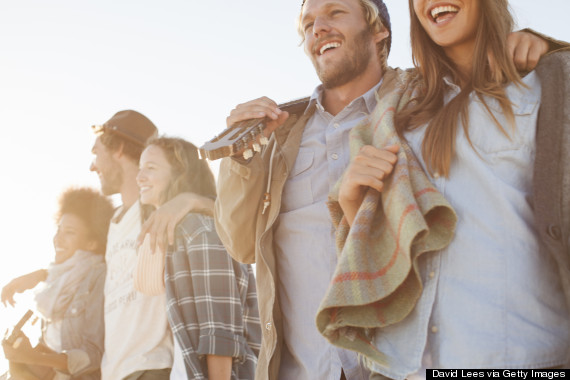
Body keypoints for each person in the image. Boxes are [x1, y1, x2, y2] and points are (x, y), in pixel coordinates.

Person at [213, 1, 556, 379]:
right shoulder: (281, 135)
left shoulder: (416, 103)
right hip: (304, 368)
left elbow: (477, 67)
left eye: (335, 13)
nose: (318, 28)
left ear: (380, 30)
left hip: (394, 364)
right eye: (308, 23)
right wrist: (239, 161)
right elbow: (241, 245)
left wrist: (540, 44)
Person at [333, 0, 570, 377]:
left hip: (516, 360)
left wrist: (552, 47)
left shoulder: (547, 80)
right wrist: (353, 202)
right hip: (402, 365)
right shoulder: (402, 109)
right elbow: (384, 248)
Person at [90, 110, 214, 380]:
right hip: (114, 371)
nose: (92, 165)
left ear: (119, 149)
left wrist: (191, 200)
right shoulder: (114, 222)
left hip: (153, 366)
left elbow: (228, 217)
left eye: (96, 153)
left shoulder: (161, 205)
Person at [136, 136, 261, 380]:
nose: (139, 176)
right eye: (140, 168)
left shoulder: (200, 229)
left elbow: (220, 331)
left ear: (179, 172)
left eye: (150, 168)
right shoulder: (178, 234)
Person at [1, 187, 114, 379]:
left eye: (69, 232)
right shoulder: (55, 286)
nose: (58, 238)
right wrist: (22, 353)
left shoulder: (99, 277)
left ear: (92, 243)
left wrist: (33, 357)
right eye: (59, 230)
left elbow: (94, 356)